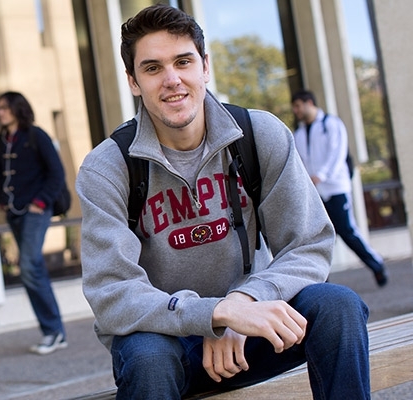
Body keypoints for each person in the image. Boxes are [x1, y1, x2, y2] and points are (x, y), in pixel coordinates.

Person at [76, 5, 370, 399]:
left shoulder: (258, 134)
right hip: (167, 344)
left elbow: (308, 244)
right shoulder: (107, 167)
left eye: (183, 62)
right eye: (152, 68)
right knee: (148, 359)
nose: (172, 80)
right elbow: (112, 291)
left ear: (205, 66)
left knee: (338, 307)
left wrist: (246, 302)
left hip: (253, 332)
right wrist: (212, 316)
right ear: (133, 81)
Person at [0, 91, 67, 355]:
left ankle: (53, 332)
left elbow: (57, 172)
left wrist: (40, 202)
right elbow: (0, 173)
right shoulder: (0, 141)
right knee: (33, 268)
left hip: (36, 211)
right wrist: (3, 199)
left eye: (5, 107)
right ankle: (55, 331)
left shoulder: (36, 135)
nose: (0, 112)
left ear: (17, 109)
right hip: (14, 212)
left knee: (28, 265)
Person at [291, 89, 388, 287]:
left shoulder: (331, 124)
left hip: (336, 188)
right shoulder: (299, 133)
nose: (296, 111)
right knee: (317, 237)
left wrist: (322, 175)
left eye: (298, 106)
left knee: (347, 231)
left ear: (309, 103)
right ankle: (322, 279)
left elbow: (337, 153)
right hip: (315, 192)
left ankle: (376, 264)